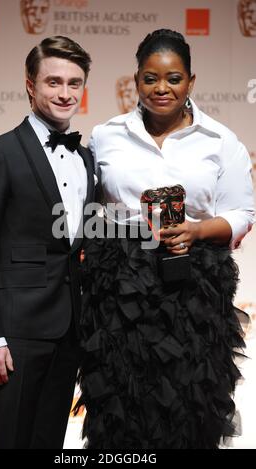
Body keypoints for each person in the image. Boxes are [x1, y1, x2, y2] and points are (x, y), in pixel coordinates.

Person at [76, 29, 255, 449]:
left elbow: (242, 214)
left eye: (174, 78)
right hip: (120, 292)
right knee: (121, 405)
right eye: (150, 78)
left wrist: (195, 229)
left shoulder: (221, 141)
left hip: (192, 286)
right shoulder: (106, 135)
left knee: (190, 406)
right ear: (136, 80)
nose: (162, 88)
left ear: (191, 82)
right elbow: (86, 204)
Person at [0, 35, 95, 449]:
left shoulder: (86, 158)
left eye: (75, 83)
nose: (65, 93)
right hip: (14, 335)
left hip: (70, 332)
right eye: (54, 82)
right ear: (30, 85)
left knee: (50, 443)